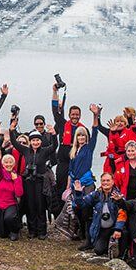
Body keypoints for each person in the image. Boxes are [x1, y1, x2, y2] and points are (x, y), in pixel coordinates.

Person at [10, 123, 57, 239]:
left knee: (40, 206)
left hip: (41, 181)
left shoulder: (45, 151)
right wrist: (12, 130)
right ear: (30, 142)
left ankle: (42, 232)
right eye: (33, 141)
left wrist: (53, 134)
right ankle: (32, 231)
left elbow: (54, 146)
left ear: (40, 141)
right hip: (29, 182)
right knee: (31, 206)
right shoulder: (26, 151)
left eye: (37, 140)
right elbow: (15, 143)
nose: (35, 143)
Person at [68, 104, 102, 249]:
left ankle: (89, 239)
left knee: (87, 209)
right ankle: (82, 233)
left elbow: (95, 131)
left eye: (83, 135)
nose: (81, 137)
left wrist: (95, 115)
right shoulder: (73, 151)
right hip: (75, 184)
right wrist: (68, 187)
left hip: (86, 183)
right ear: (76, 137)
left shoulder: (89, 147)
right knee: (77, 209)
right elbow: (70, 170)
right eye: (79, 135)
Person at [51, 81, 86, 213]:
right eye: (73, 114)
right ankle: (60, 214)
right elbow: (55, 111)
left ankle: (74, 215)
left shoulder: (83, 130)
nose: (75, 116)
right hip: (63, 163)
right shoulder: (62, 124)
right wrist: (55, 92)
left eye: (77, 114)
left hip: (76, 163)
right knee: (61, 187)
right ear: (70, 115)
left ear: (80, 115)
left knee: (75, 188)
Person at [72, 173, 126, 258]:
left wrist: (118, 228)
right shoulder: (96, 194)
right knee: (98, 251)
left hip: (115, 228)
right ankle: (100, 242)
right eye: (103, 180)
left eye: (108, 180)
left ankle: (122, 253)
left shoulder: (118, 196)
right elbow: (81, 204)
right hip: (102, 229)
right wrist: (78, 193)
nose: (105, 183)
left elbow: (122, 214)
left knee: (124, 233)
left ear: (113, 182)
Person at [0, 153, 24, 240]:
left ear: (14, 164)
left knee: (9, 218)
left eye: (10, 162)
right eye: (6, 162)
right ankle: (4, 230)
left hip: (10, 204)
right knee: (1, 234)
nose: (8, 164)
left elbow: (19, 193)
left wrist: (16, 180)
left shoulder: (17, 177)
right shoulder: (0, 176)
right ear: (3, 164)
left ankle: (15, 231)